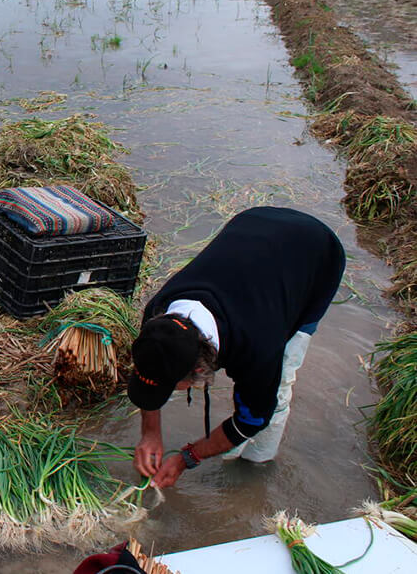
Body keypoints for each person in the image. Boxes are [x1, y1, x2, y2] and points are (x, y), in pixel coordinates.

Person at [128, 206, 345, 488]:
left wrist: (186, 458)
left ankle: (256, 466)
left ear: (200, 370)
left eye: (170, 387)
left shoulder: (258, 347)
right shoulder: (158, 316)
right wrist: (150, 433)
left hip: (316, 253)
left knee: (279, 386)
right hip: (254, 225)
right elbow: (151, 370)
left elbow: (252, 420)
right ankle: (235, 453)